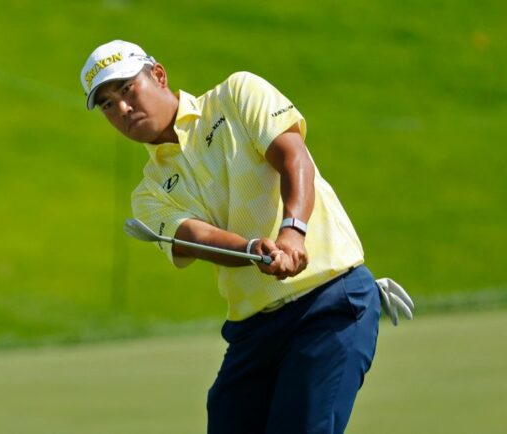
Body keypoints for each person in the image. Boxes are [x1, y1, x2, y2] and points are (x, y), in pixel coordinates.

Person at [80, 40, 413, 434]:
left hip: (330, 303)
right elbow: (195, 237)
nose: (122, 108)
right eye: (107, 104)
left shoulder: (237, 94)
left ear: (159, 76)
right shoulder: (149, 193)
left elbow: (293, 156)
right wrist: (253, 249)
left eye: (126, 89)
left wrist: (293, 233)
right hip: (255, 330)